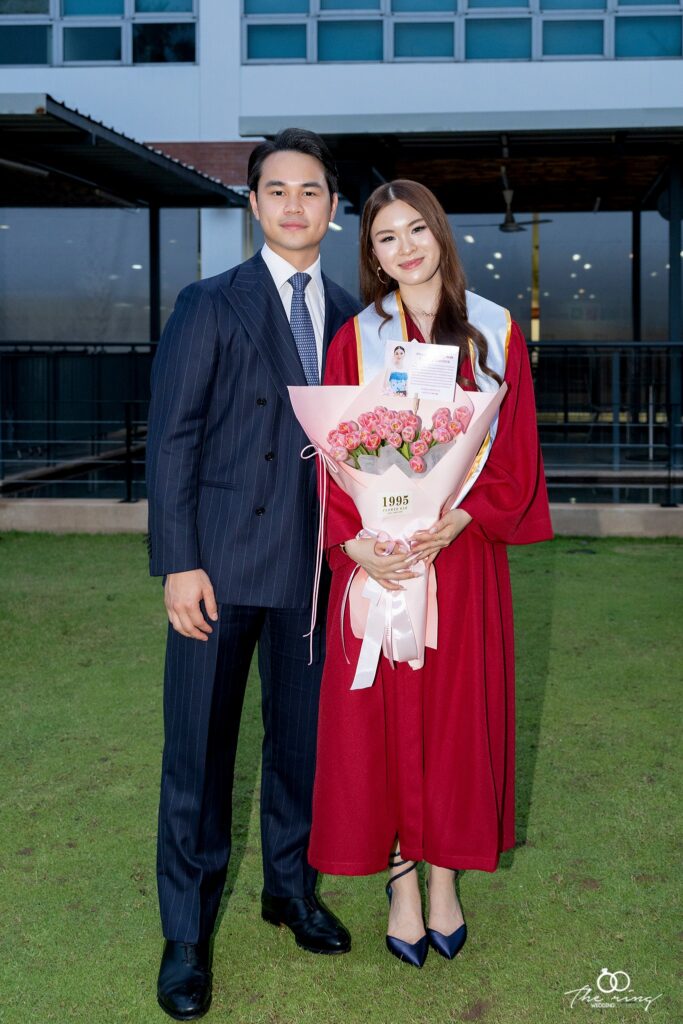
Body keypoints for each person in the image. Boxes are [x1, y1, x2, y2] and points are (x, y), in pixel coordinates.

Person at [307, 180, 552, 968]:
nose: (405, 247)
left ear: (439, 234)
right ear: (372, 255)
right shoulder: (356, 339)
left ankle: (444, 874)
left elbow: (514, 449)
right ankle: (401, 881)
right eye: (386, 237)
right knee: (383, 721)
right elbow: (331, 456)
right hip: (382, 561)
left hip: (461, 559)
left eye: (416, 229)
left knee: (453, 718)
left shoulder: (494, 331)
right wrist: (353, 545)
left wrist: (461, 517)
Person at [146, 128, 361, 1021]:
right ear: (254, 203)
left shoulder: (353, 315)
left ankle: (289, 891)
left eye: (310, 191)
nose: (293, 205)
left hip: (314, 574)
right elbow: (173, 439)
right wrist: (178, 562)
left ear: (333, 207)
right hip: (220, 570)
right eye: (277, 190)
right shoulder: (210, 302)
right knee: (198, 755)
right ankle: (185, 934)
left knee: (302, 748)